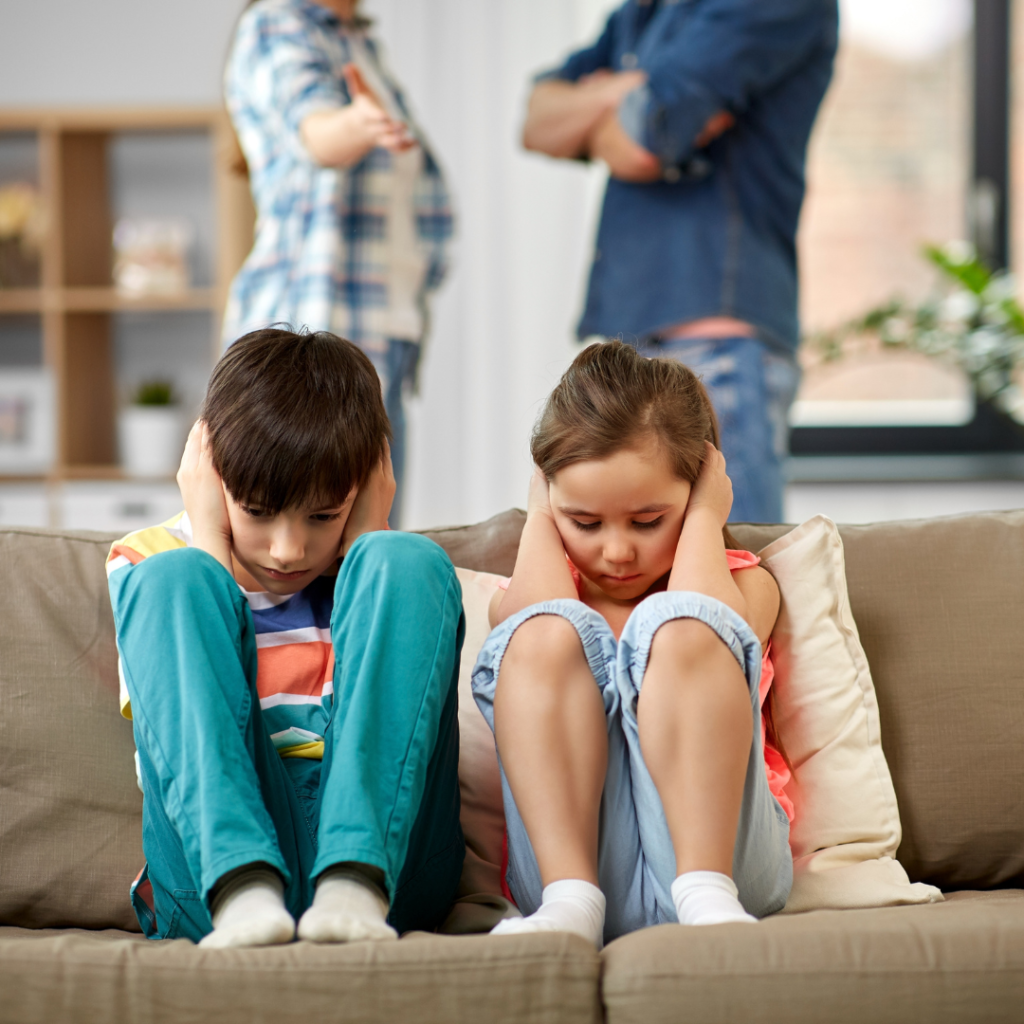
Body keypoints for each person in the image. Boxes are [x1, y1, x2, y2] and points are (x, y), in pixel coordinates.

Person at [106, 329, 465, 947]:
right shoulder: (150, 565)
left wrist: (369, 542)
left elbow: (393, 715)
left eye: (322, 516)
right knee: (175, 579)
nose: (289, 549)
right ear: (210, 477)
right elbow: (188, 734)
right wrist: (212, 545)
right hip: (207, 872)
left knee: (407, 561)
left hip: (390, 871)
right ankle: (242, 888)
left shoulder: (383, 576)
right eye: (258, 512)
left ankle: (354, 881)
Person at [472, 342, 793, 947]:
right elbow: (532, 624)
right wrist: (540, 519)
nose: (616, 552)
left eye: (648, 521)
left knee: (681, 624)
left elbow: (709, 619)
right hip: (573, 877)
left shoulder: (745, 584)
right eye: (583, 522)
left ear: (699, 486)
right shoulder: (538, 596)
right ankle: (571, 900)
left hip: (728, 869)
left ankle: (705, 889)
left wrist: (704, 517)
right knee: (545, 631)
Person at [522, 0, 838, 522]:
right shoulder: (642, 12)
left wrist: (602, 108)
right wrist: (620, 93)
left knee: (734, 571)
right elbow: (536, 120)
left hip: (718, 342)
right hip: (641, 338)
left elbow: (642, 141)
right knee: (643, 576)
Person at [223, 0, 453, 525]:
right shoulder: (277, 23)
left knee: (371, 545)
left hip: (385, 337)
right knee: (301, 550)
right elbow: (318, 133)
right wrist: (356, 123)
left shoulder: (357, 40)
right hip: (306, 350)